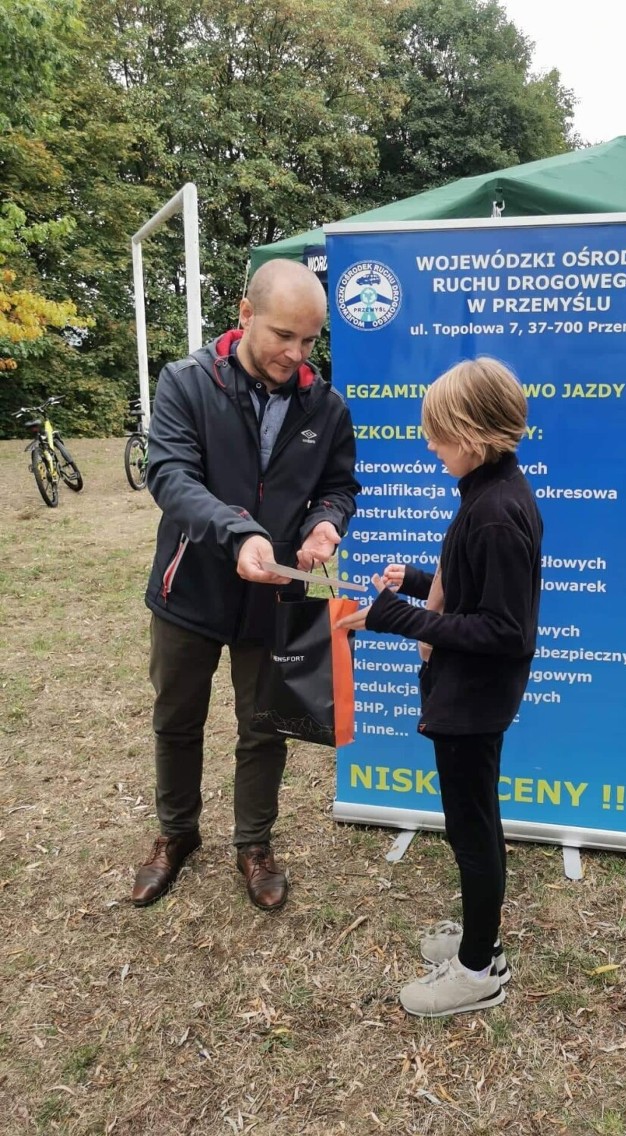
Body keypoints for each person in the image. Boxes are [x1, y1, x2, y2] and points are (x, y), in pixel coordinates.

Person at [131, 259, 359, 912]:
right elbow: (170, 475)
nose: (296, 352)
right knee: (177, 717)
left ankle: (253, 843)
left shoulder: (325, 405)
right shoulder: (186, 383)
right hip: (189, 592)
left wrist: (324, 526)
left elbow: (339, 485)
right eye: (283, 335)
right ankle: (177, 834)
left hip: (274, 597)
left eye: (309, 340)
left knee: (263, 726)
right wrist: (239, 532)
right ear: (245, 314)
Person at [336, 357, 543, 1017]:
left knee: (472, 829)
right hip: (465, 689)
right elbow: (477, 591)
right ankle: (484, 941)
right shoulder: (489, 493)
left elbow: (506, 631)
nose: (430, 445)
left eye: (439, 434)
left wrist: (399, 615)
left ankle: (477, 969)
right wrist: (425, 581)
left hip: (473, 701)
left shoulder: (495, 512)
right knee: (469, 825)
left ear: (475, 436)